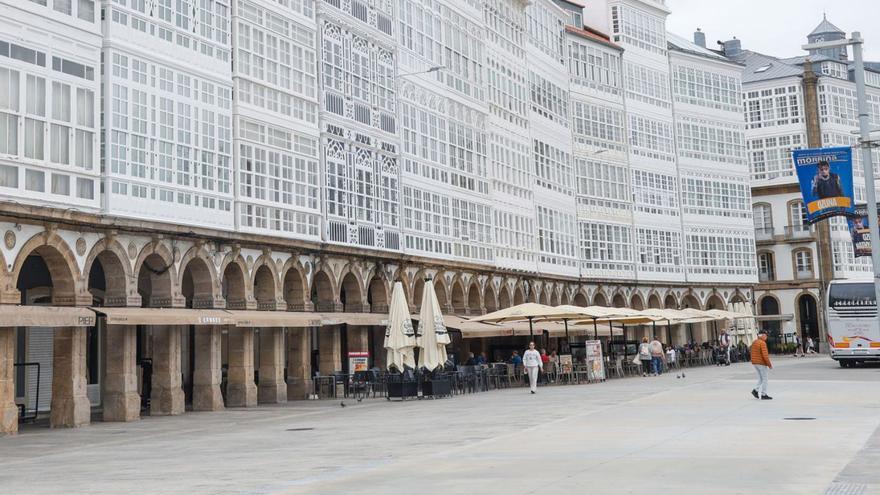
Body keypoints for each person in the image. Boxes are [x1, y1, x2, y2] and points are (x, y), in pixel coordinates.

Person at [751, 330, 773, 400]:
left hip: (755, 363)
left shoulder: (754, 342)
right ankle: (764, 394)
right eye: (766, 335)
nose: (766, 337)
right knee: (765, 379)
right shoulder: (762, 343)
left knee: (761, 378)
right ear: (762, 335)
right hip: (761, 363)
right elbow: (765, 355)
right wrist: (769, 364)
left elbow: (751, 351)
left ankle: (755, 390)